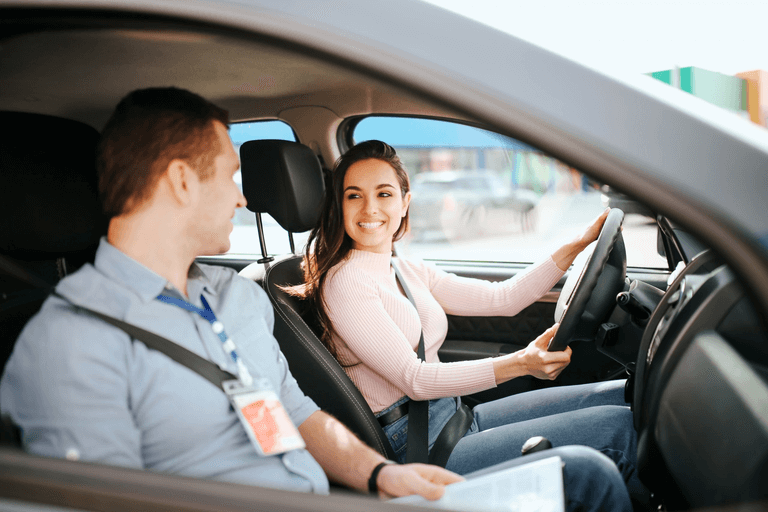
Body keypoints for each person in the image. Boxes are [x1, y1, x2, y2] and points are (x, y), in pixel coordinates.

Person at [0, 88, 632, 512]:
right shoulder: (70, 344)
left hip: (343, 491)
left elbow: (299, 418)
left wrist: (381, 477)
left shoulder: (234, 299)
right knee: (589, 476)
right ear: (182, 181)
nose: (244, 198)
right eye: (230, 177)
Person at [295, 139, 647, 504]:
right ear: (340, 205)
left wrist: (575, 244)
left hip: (452, 416)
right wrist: (520, 363)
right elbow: (415, 380)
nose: (370, 208)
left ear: (405, 201)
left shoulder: (402, 268)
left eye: (384, 194)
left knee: (620, 406)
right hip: (418, 445)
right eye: (354, 196)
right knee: (614, 439)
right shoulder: (346, 281)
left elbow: (503, 298)